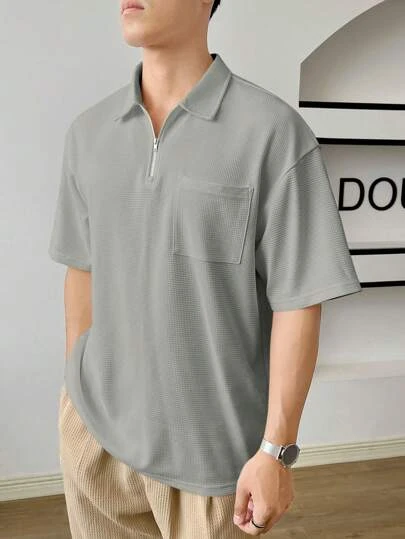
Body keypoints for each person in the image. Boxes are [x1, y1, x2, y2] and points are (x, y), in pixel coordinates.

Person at [49, 0, 363, 537]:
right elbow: (82, 271)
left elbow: (299, 300)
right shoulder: (88, 134)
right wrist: (77, 395)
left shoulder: (273, 134)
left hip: (214, 465)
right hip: (96, 441)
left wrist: (276, 450)